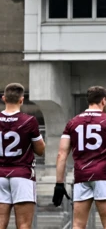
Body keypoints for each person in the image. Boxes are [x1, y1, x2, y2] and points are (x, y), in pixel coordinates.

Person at [53, 86, 106, 229]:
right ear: (103, 100)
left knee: (77, 224)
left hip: (81, 176)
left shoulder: (72, 123)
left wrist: (59, 183)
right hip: (103, 175)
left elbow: (61, 154)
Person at [0, 83, 45, 229]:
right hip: (22, 174)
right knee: (24, 225)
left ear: (4, 98)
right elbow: (40, 150)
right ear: (22, 100)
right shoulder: (29, 121)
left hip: (0, 174)